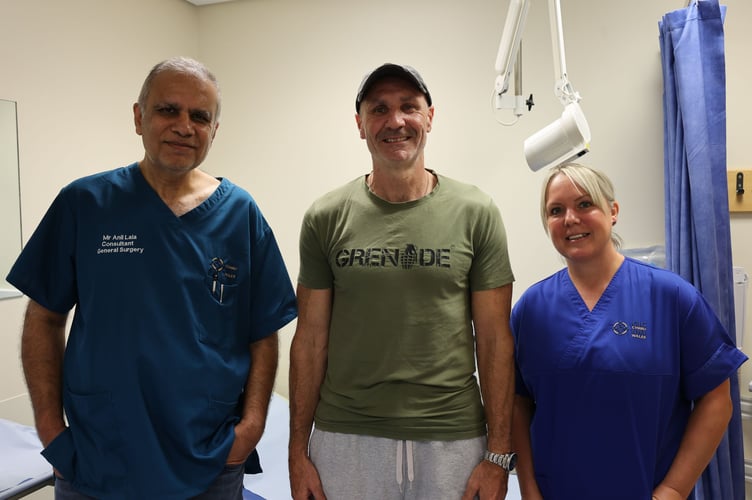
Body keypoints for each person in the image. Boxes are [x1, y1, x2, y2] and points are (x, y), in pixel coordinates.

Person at [6, 56, 297, 499]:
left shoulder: (240, 215)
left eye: (200, 116)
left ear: (213, 131)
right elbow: (44, 317)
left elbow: (263, 331)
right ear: (139, 117)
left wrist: (251, 426)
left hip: (209, 457)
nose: (184, 126)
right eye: (168, 110)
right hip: (99, 454)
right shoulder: (85, 203)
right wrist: (50, 429)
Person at [288, 63, 516, 500]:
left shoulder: (475, 212)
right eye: (379, 109)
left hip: (453, 439)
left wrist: (499, 454)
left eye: (408, 107)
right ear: (360, 125)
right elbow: (310, 339)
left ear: (430, 117)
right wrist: (298, 453)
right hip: (345, 438)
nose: (395, 121)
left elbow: (494, 340)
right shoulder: (325, 217)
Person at [510, 163, 748, 500]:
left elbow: (717, 398)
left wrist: (675, 489)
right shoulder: (531, 310)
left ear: (613, 211)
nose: (570, 219)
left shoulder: (672, 298)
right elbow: (517, 404)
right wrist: (530, 490)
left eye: (584, 204)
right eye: (555, 210)